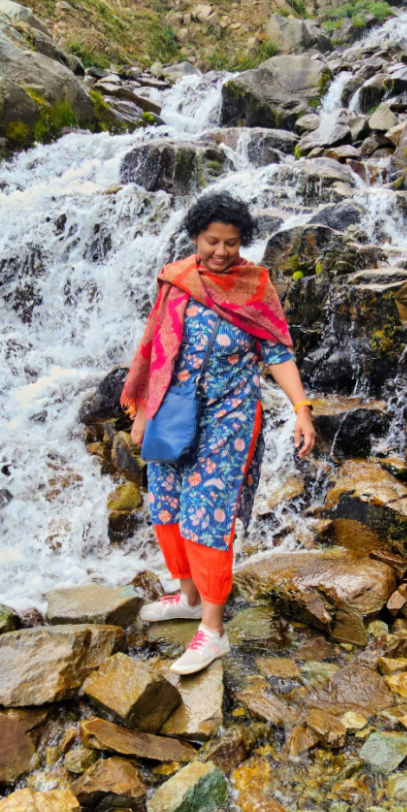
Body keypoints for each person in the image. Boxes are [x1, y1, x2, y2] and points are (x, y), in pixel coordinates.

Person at [121, 190, 316, 674]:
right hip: (171, 410)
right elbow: (157, 352)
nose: (222, 252)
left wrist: (302, 409)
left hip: (228, 419)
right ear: (196, 238)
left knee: (208, 511)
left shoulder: (256, 286)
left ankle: (213, 630)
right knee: (166, 502)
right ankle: (187, 595)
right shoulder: (177, 280)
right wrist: (142, 412)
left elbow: (277, 352)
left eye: (231, 242)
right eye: (212, 241)